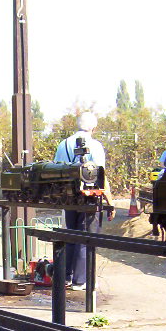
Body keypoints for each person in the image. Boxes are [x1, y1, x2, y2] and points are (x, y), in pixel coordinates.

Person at [53, 111, 112, 291]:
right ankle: (81, 280)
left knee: (71, 234)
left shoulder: (63, 144)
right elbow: (100, 175)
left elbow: (55, 169)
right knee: (86, 237)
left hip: (68, 196)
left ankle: (67, 276)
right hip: (89, 197)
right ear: (94, 127)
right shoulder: (95, 145)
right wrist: (110, 201)